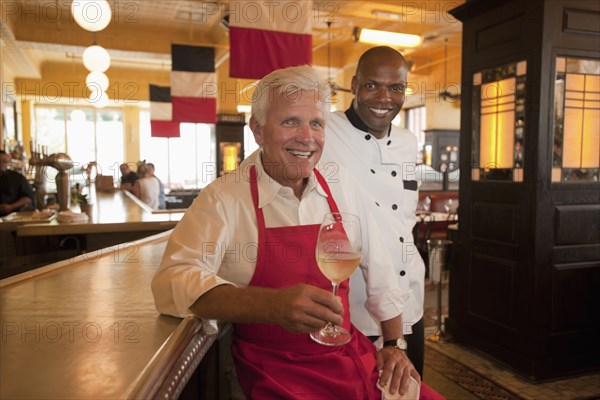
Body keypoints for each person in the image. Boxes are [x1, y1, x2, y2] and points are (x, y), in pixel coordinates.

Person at [152, 66, 417, 399]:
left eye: (316, 123)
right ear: (258, 131)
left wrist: (394, 344)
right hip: (269, 370)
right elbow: (171, 281)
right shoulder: (224, 197)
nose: (307, 137)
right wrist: (271, 305)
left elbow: (380, 268)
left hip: (347, 355)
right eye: (290, 121)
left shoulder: (341, 183)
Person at [320, 46, 427, 378]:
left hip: (409, 299)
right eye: (372, 85)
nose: (384, 97)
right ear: (353, 85)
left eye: (395, 88)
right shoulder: (324, 131)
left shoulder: (409, 143)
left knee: (408, 391)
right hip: (354, 305)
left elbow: (403, 219)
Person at [0, 150, 34, 217]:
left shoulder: (17, 178)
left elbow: (28, 198)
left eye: (5, 161)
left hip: (13, 217)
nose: (2, 164)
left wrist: (11, 207)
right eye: (0, 161)